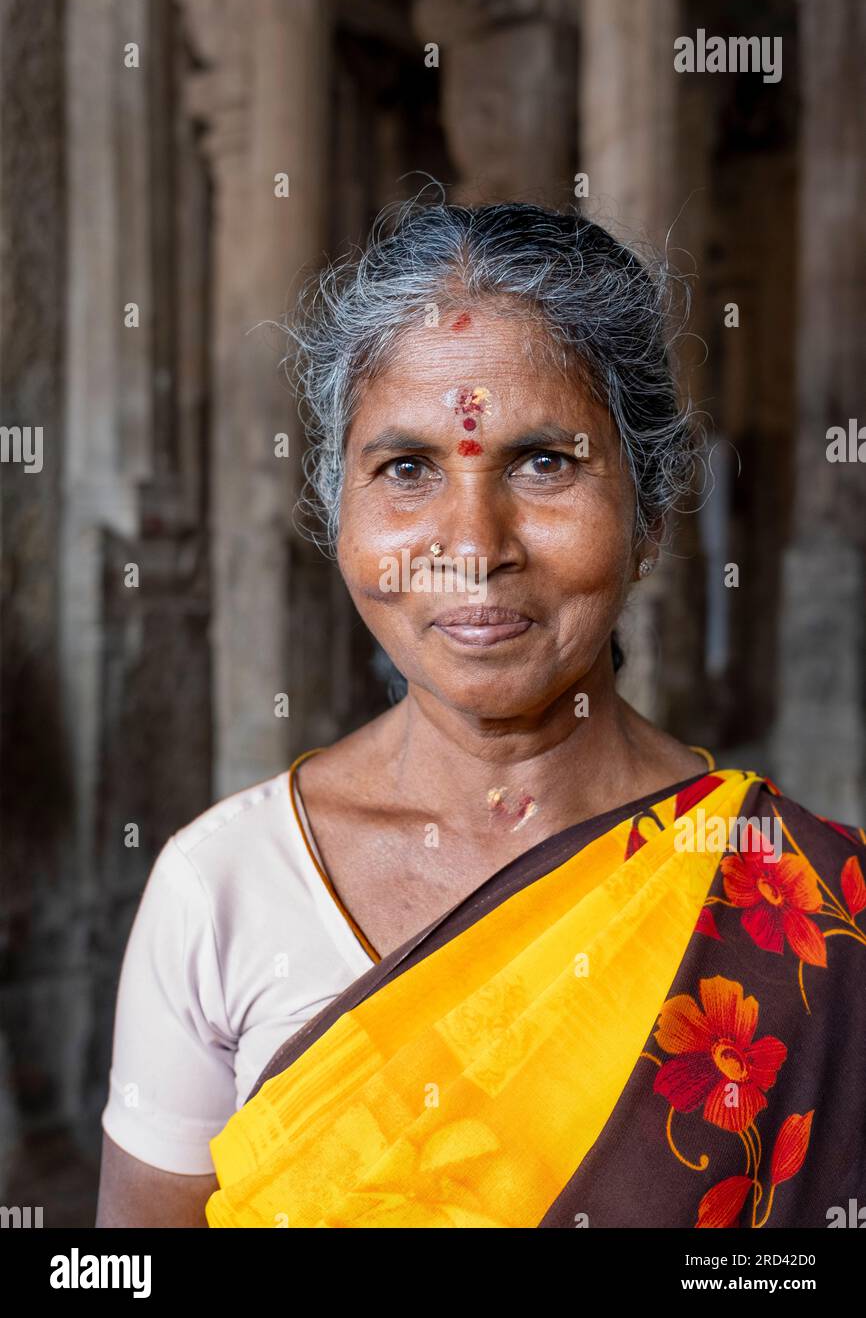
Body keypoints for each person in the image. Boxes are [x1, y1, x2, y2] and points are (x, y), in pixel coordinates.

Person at [96, 199, 866, 1228]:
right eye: (406, 469)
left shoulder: (804, 907)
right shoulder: (219, 891)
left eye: (543, 461)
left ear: (646, 515)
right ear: (339, 516)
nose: (472, 542)